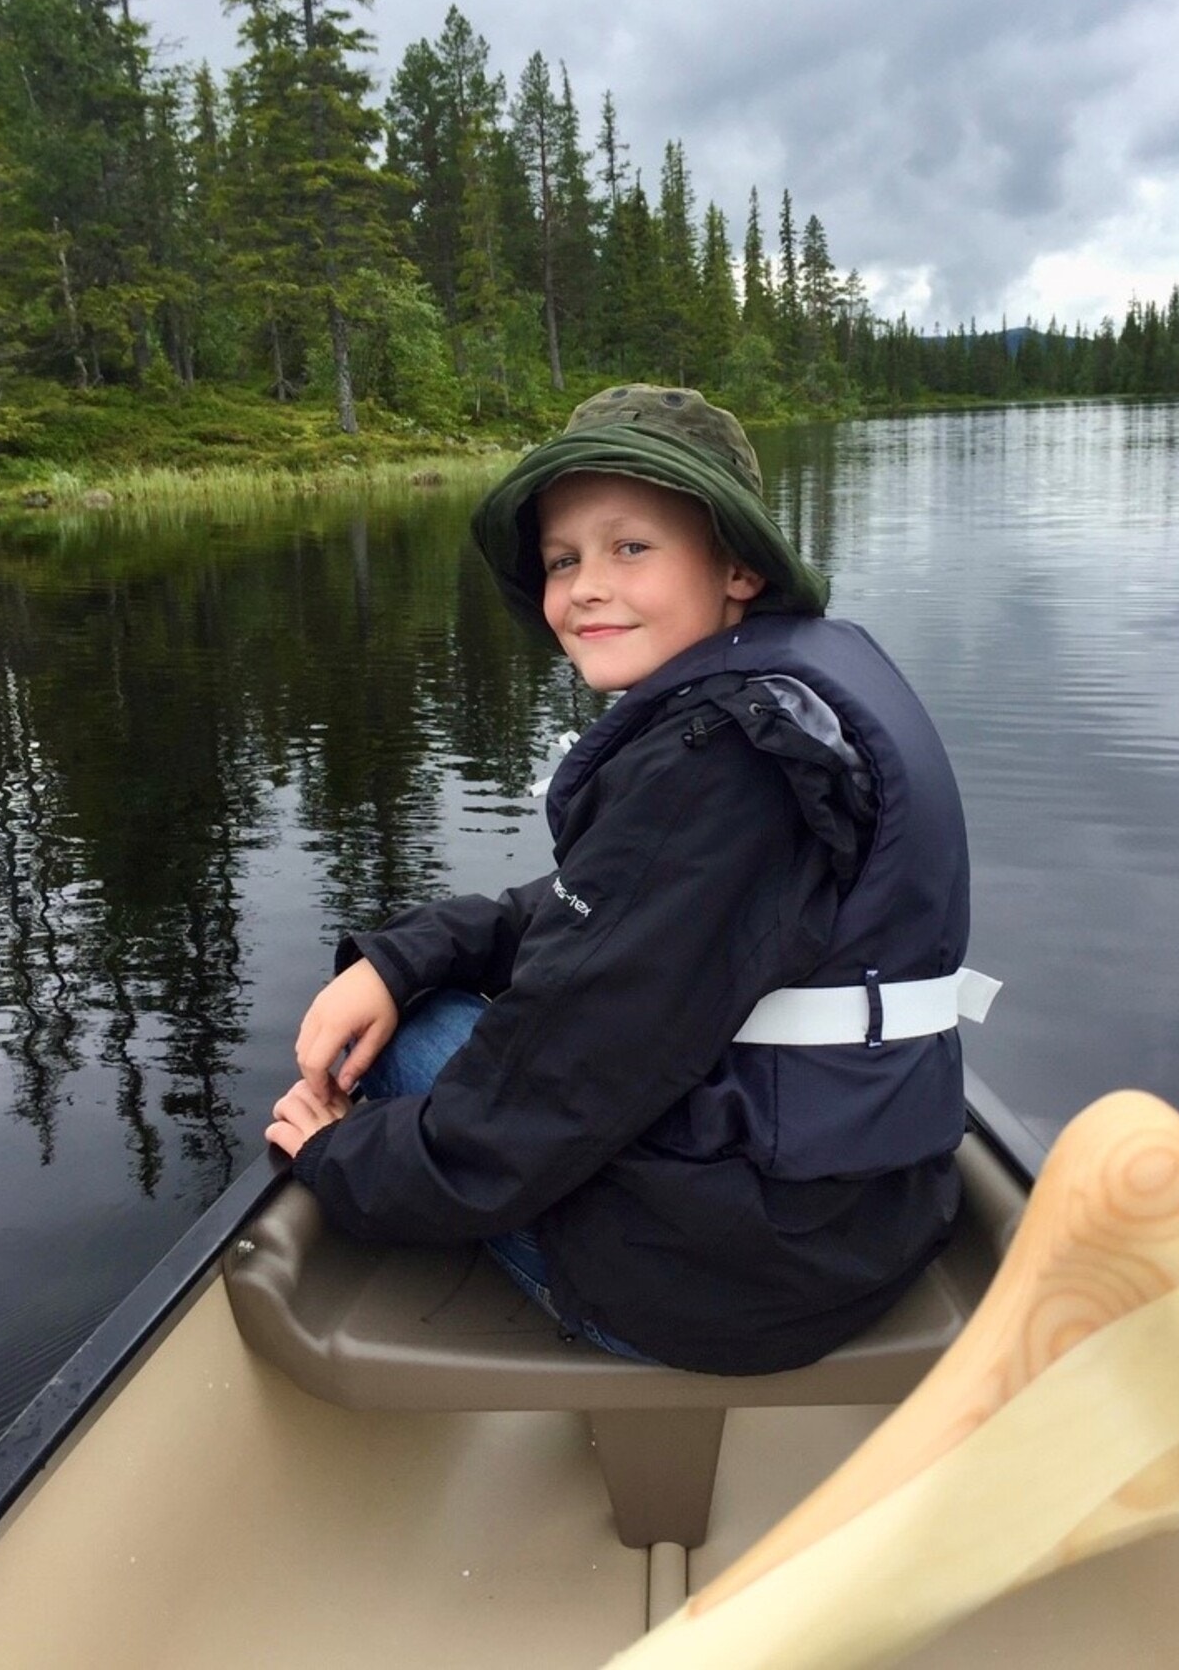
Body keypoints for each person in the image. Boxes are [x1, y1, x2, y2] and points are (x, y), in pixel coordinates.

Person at [267, 384, 980, 1376]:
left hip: (738, 1281)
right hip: (864, 1219)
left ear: (736, 565)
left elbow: (545, 1091)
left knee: (415, 1046)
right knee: (432, 996)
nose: (583, 588)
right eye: (563, 560)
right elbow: (605, 914)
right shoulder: (793, 692)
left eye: (629, 548)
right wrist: (405, 953)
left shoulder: (724, 760)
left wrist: (338, 1159)